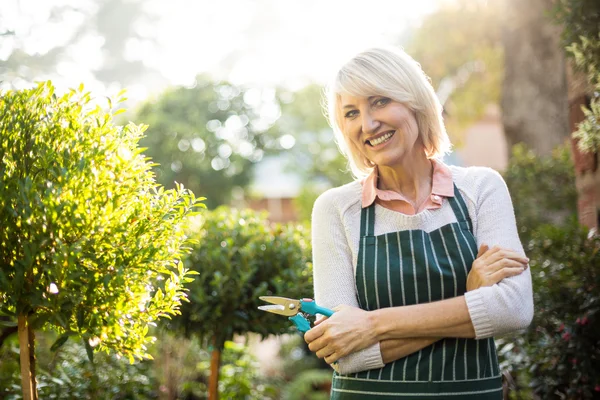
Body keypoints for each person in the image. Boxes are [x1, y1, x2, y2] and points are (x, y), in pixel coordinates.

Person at [304, 46, 533, 399]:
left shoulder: (481, 188)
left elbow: (513, 309)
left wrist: (372, 325)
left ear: (415, 102)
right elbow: (346, 354)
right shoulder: (335, 209)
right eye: (352, 113)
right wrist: (469, 299)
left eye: (379, 101)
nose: (368, 124)